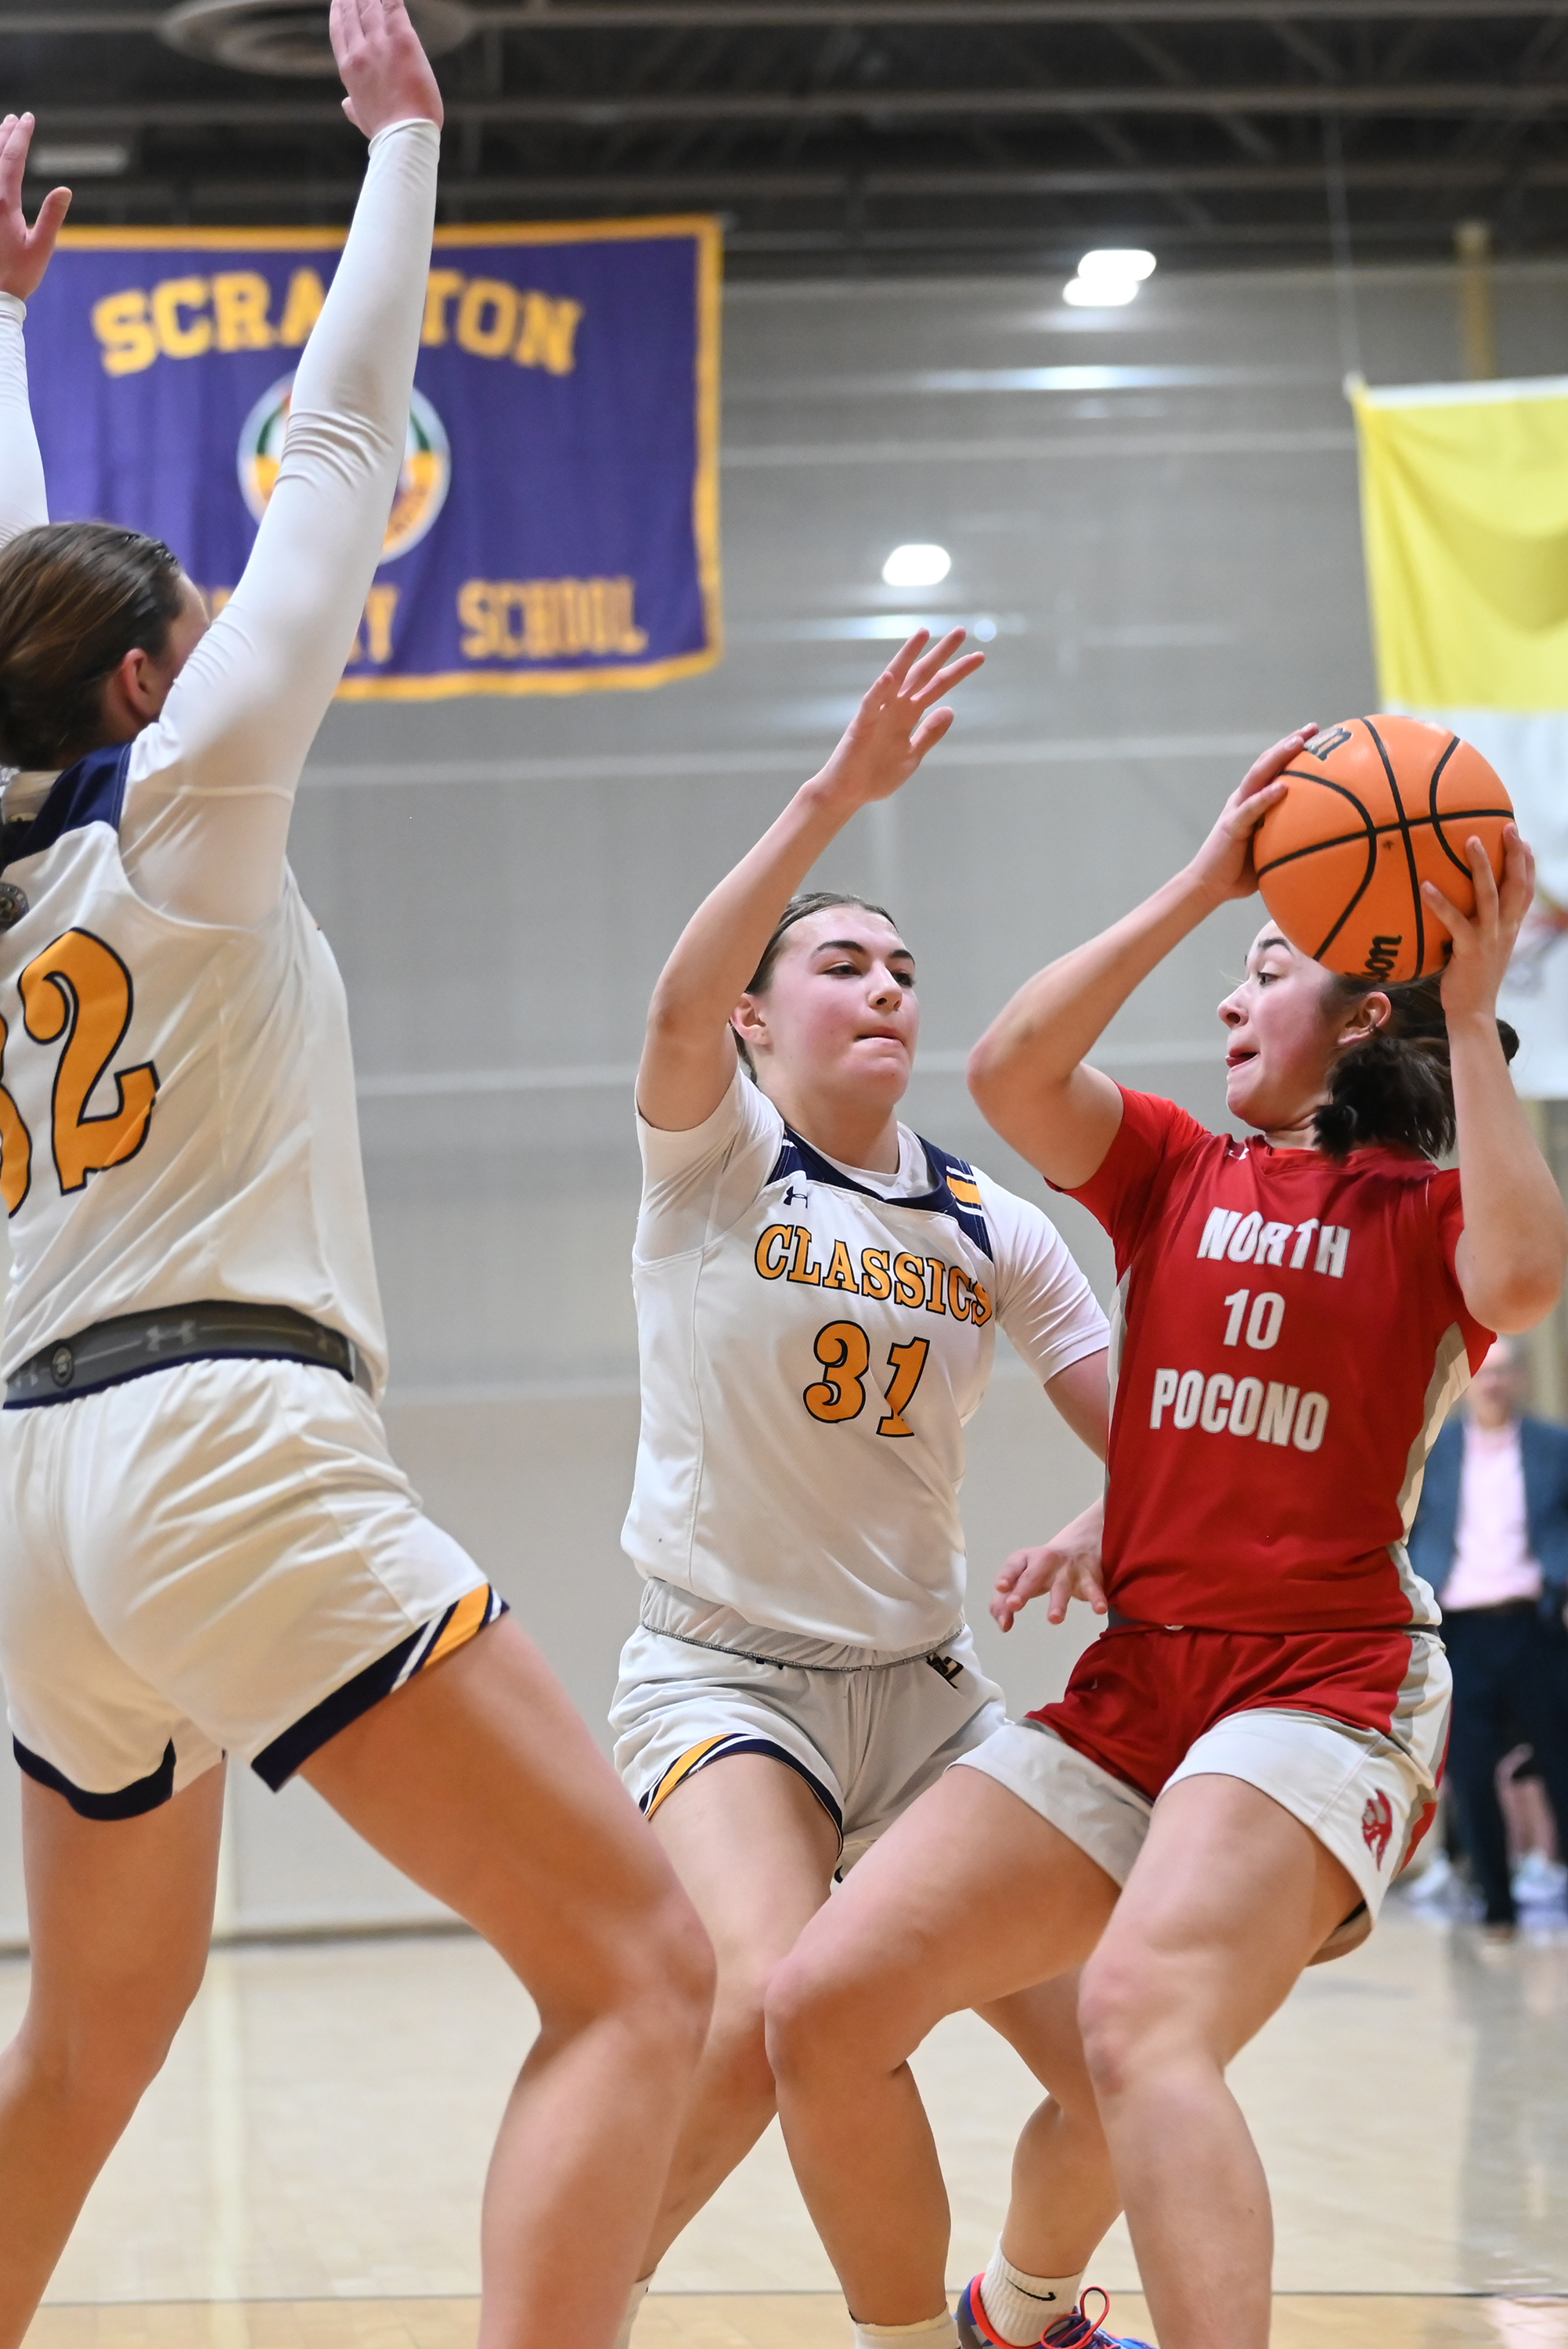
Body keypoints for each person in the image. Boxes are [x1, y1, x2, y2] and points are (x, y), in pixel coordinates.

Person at [0, 17, 712, 2347]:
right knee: (641, 1972)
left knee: (92, 2040)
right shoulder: (189, 805)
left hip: (29, 1502)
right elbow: (332, 444)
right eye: (187, 636)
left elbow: (19, 608)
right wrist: (403, 142)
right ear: (138, 693)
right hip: (226, 1445)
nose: (232, 644)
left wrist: (7, 329)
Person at [762, 728, 1567, 2349]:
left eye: (1261, 969)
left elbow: (1526, 1280)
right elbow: (1005, 1069)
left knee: (1136, 2018)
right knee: (818, 2006)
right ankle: (981, 2328)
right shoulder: (1177, 1171)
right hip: (1138, 1687)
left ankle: (1060, 2308)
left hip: (1320, 1683)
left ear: (1358, 1018)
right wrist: (1212, 880)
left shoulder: (1416, 1213)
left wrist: (1473, 1019)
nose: (1220, 997)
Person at [608, 629, 1112, 2346]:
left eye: (903, 963)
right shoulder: (716, 1159)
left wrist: (1113, 1518)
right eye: (840, 960)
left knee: (1126, 2047)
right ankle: (571, 2301)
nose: (887, 983)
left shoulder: (995, 1230)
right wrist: (835, 791)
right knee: (765, 1994)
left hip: (927, 1701)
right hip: (725, 1672)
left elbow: (1163, 1447)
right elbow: (671, 1007)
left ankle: (1018, 2310)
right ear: (759, 1017)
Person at [1407, 1336, 1568, 1933]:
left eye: (1503, 1373)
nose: (1493, 1384)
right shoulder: (1435, 1452)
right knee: (1470, 1771)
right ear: (1467, 1381)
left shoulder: (1553, 1447)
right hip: (1462, 1632)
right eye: (1484, 1373)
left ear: (1520, 1379)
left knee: (1557, 1760)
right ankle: (1495, 1905)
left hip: (1534, 1624)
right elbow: (1411, 1527)